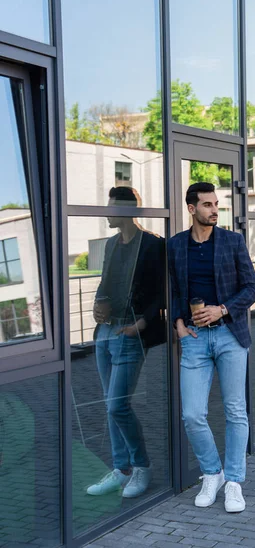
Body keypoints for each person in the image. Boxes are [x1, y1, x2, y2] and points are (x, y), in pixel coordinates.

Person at [168, 182, 255, 513]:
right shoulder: (176, 246)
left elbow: (253, 288)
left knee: (235, 410)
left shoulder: (232, 242)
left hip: (229, 336)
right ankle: (213, 473)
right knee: (192, 414)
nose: (214, 210)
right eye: (207, 205)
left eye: (216, 204)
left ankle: (234, 481)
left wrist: (222, 309)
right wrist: (178, 324)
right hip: (193, 338)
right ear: (191, 208)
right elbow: (174, 290)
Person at [86, 186, 165, 498]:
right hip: (106, 332)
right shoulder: (111, 244)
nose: (106, 213)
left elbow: (161, 292)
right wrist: (97, 305)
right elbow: (106, 282)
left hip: (132, 333)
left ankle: (141, 466)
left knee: (118, 405)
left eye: (111, 208)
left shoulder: (152, 244)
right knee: (110, 405)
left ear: (128, 211)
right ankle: (121, 470)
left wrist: (140, 324)